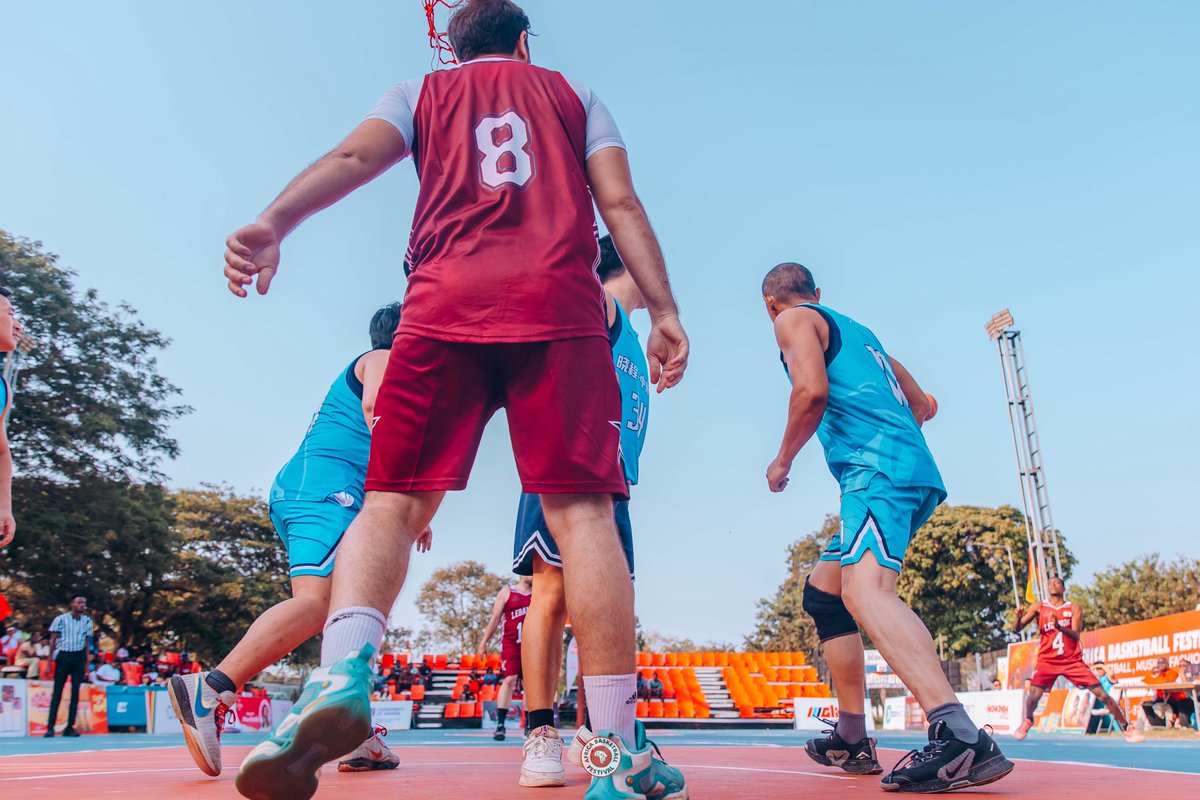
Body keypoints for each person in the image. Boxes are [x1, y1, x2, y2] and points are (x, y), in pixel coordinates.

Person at [223, 3, 689, 799]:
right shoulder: (577, 96)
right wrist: (667, 309)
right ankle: (613, 755)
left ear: (453, 46)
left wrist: (275, 220)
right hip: (558, 304)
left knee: (392, 501)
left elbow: (350, 157)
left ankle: (340, 675)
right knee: (584, 516)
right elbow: (621, 204)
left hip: (441, 305)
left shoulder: (417, 93)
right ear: (522, 41)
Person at [761, 263, 1013, 793]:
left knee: (867, 592)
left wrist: (782, 460)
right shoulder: (860, 333)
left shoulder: (792, 321)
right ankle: (852, 737)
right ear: (819, 294)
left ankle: (959, 734)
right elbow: (925, 405)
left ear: (770, 304)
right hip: (904, 471)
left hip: (877, 475)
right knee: (826, 595)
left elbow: (810, 392)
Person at [167, 304, 426, 778]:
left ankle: (356, 735)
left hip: (312, 488)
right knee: (320, 603)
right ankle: (212, 687)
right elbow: (377, 412)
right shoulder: (385, 358)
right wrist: (402, 488)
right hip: (324, 488)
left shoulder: (380, 364)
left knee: (347, 609)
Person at [510, 234, 655, 787]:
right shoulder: (599, 298)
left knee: (606, 605)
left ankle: (597, 735)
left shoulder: (631, 338)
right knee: (549, 595)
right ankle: (540, 733)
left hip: (609, 481)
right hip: (566, 464)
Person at [1012, 576, 1142, 742]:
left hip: (1071, 660)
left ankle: (1127, 727)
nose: (1053, 584)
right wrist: (1017, 617)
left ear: (1064, 588)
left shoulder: (1073, 608)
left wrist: (1059, 627)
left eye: (1057, 582)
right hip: (1047, 660)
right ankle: (1028, 720)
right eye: (1050, 582)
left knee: (1102, 694)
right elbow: (1017, 629)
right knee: (1033, 696)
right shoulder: (1039, 606)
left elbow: (1076, 634)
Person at [477, 574, 533, 742]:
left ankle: (529, 725)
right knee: (509, 679)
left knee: (530, 685)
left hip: (533, 645)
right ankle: (500, 725)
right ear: (522, 571)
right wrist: (483, 642)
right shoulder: (507, 591)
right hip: (511, 643)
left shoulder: (538, 593)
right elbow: (495, 618)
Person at [45, 596, 94, 737]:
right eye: (79, 602)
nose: (81, 605)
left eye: (84, 603)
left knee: (75, 693)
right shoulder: (60, 619)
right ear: (72, 604)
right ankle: (50, 727)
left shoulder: (88, 621)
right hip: (63, 656)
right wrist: (49, 662)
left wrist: (86, 665)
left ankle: (69, 727)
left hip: (78, 657)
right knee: (57, 693)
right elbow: (52, 641)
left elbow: (86, 643)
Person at [0, 286, 21, 550]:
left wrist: (4, 506)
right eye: (11, 315)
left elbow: (1, 453)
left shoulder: (3, 389)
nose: (19, 326)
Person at [1142, 657, 1195, 729]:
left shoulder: (1173, 673)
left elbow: (1165, 683)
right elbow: (1146, 681)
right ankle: (1157, 726)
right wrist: (1154, 676)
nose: (1161, 665)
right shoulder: (1159, 675)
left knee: (1181, 704)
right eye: (1159, 663)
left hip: (1178, 699)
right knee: (1146, 705)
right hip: (1164, 699)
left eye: (1163, 663)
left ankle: (1180, 724)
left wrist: (1183, 672)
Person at [1085, 663, 1116, 735]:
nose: (1098, 670)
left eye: (1100, 669)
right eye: (1097, 669)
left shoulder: (1109, 678)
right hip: (1097, 703)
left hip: (1107, 703)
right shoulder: (1097, 679)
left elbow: (1111, 673)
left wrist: (1101, 666)